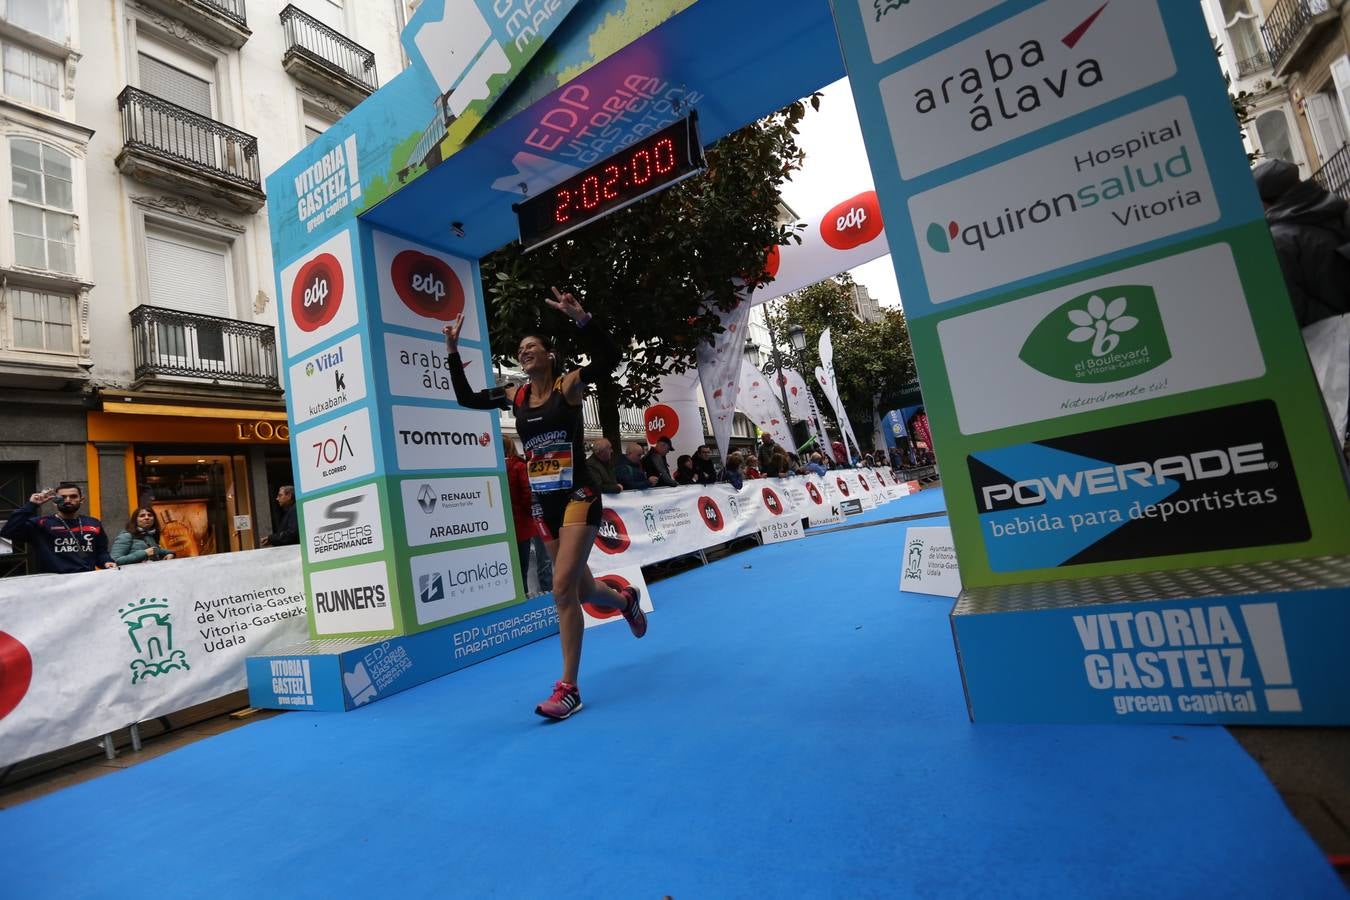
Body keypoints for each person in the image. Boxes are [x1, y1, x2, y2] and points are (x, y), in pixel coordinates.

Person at [443, 286, 646, 721]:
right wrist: (452, 352)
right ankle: (624, 600)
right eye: (520, 350)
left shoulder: (567, 386)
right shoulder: (515, 397)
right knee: (584, 590)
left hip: (578, 497)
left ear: (549, 355)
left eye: (531, 347)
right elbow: (466, 398)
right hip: (544, 505)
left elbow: (609, 360)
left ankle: (569, 688)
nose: (524, 352)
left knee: (560, 589)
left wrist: (582, 319)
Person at [1254, 158, 1350, 444]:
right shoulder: (1339, 213)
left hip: (1333, 350)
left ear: (1264, 200)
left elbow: (1291, 309)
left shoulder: (1277, 240)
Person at [1, 484, 117, 573]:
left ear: (81, 500)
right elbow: (8, 531)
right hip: (54, 584)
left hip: (86, 581)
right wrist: (31, 505)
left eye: (73, 496)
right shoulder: (41, 523)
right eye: (63, 497)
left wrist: (107, 562)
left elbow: (101, 551)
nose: (68, 500)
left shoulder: (94, 523)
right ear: (55, 502)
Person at [505, 435, 554, 594]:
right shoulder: (519, 466)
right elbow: (527, 493)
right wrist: (528, 511)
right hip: (529, 519)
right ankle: (546, 593)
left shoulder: (514, 466)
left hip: (521, 520)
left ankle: (528, 595)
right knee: (539, 559)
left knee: (523, 565)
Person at [111, 507, 175, 565]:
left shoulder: (149, 535)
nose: (147, 517)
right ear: (135, 520)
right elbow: (115, 560)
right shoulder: (126, 536)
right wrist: (144, 553)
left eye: (150, 515)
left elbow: (156, 550)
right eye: (142, 516)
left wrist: (169, 553)